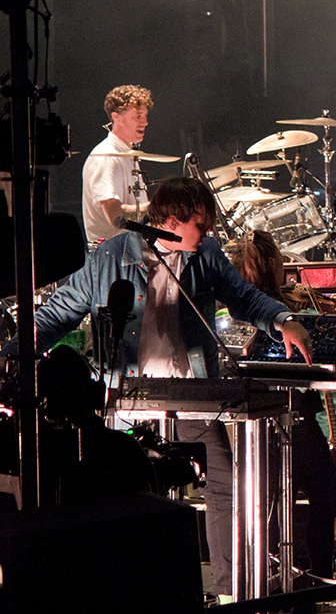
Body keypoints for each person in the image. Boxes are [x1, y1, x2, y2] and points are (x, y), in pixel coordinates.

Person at [8, 176, 313, 599]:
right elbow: (59, 312)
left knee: (222, 482)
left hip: (189, 390)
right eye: (200, 225)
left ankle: (226, 594)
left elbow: (244, 297)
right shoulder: (111, 257)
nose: (207, 234)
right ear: (171, 221)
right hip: (126, 393)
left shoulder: (204, 254)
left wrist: (282, 320)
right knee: (126, 491)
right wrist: (11, 352)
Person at [227, 231, 336, 582]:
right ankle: (316, 574)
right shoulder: (280, 313)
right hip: (294, 418)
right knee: (324, 495)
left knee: (272, 504)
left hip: (256, 420)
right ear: (271, 265)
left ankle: (270, 576)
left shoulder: (236, 308)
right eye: (278, 261)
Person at [82, 84, 154, 246]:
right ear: (117, 117)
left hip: (129, 251)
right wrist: (160, 208)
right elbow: (116, 216)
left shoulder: (125, 154)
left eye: (145, 115)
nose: (146, 122)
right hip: (114, 258)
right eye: (138, 116)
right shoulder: (106, 157)